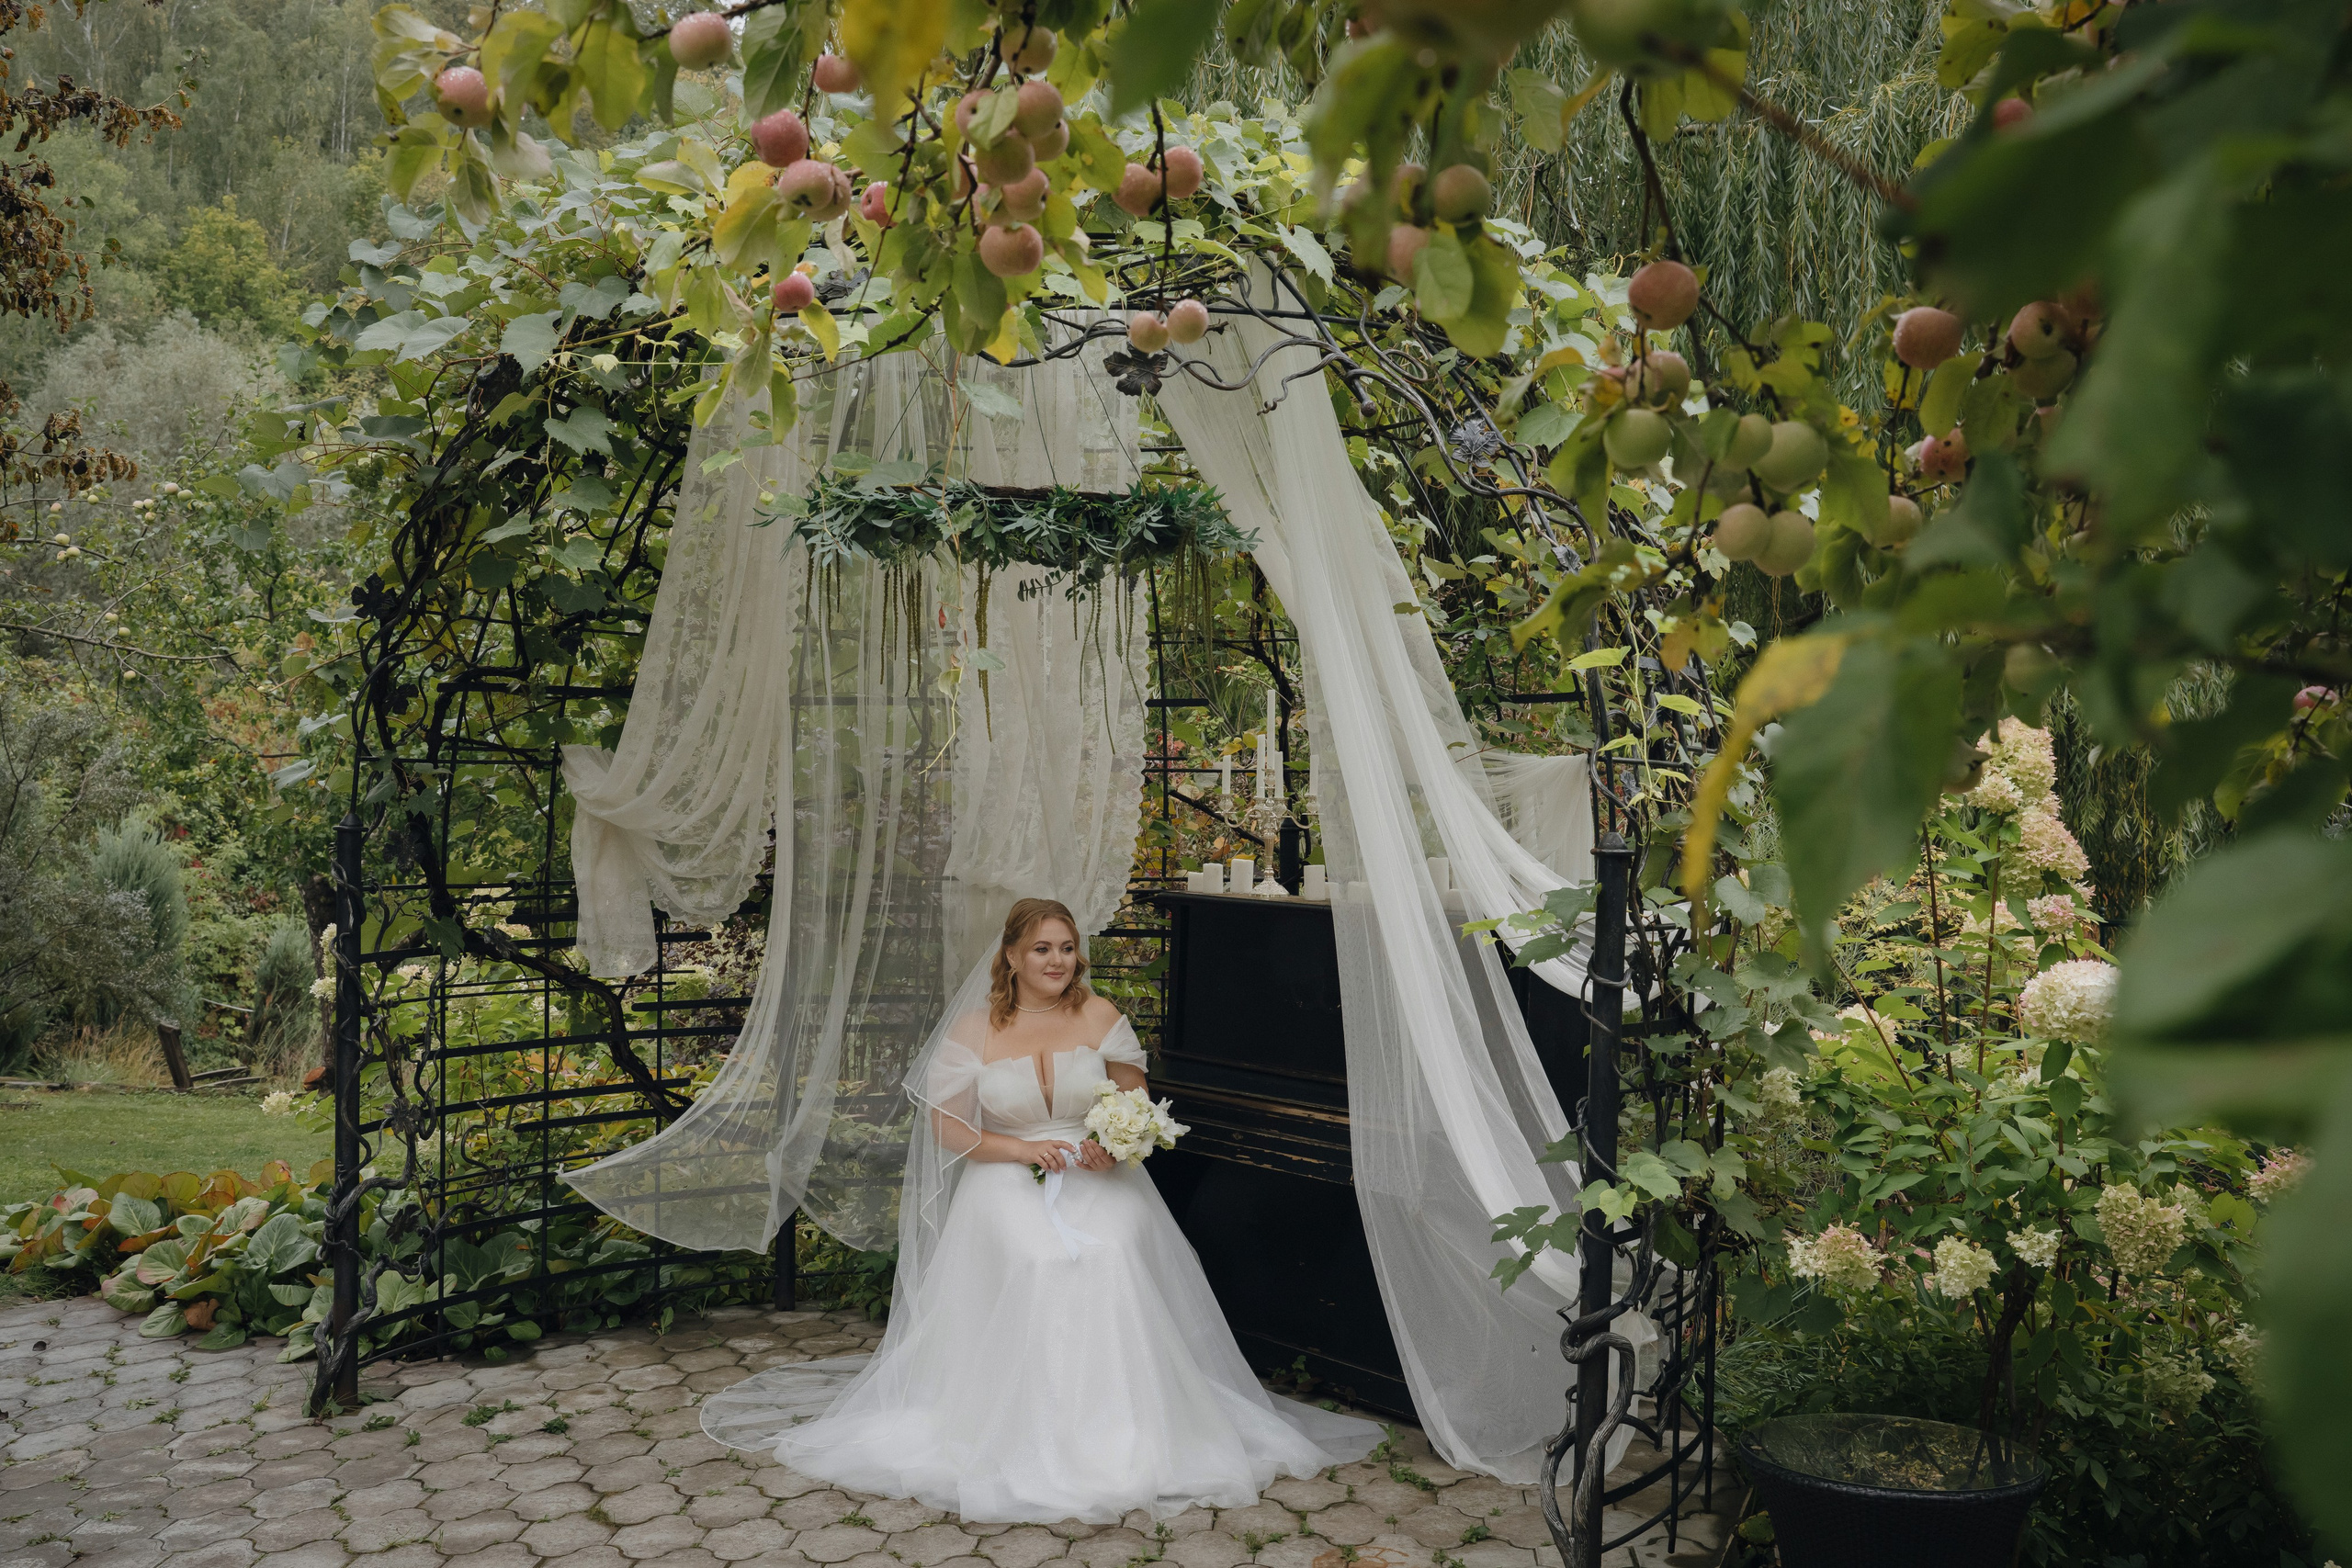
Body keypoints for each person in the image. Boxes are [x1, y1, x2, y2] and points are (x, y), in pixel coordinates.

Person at [699, 897, 1380, 1523]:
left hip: (1094, 1170)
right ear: (1012, 958)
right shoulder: (975, 1029)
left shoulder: (1100, 1014)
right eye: (1042, 949)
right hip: (1002, 1170)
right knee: (1041, 1256)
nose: (1057, 961)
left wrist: (1113, 1148)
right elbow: (951, 1130)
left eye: (1066, 947)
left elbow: (1137, 1107)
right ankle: (1025, 1429)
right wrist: (1018, 1146)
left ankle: (1128, 1428)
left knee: (1110, 1249)